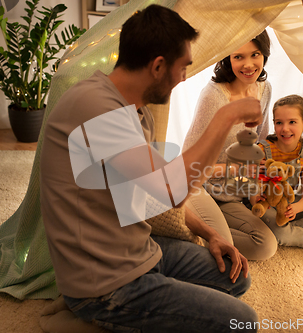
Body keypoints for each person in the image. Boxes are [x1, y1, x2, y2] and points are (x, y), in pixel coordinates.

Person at [40, 5, 263, 333]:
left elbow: (155, 193)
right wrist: (227, 116)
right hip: (103, 283)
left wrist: (211, 234)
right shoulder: (96, 108)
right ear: (158, 66)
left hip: (135, 249)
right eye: (183, 67)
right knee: (242, 323)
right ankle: (88, 316)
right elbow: (172, 191)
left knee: (236, 278)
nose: (184, 76)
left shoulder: (133, 110)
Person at [183, 30, 278, 261]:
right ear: (228, 58)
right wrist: (234, 170)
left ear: (264, 54)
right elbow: (187, 168)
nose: (248, 65)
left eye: (255, 54)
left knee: (266, 246)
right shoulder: (214, 96)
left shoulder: (264, 89)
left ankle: (203, 232)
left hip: (232, 192)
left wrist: (262, 177)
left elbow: (262, 142)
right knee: (225, 249)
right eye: (238, 57)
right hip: (199, 187)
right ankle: (201, 229)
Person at [254, 94, 303, 248]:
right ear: (274, 124)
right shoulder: (262, 150)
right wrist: (257, 199)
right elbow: (252, 192)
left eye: (292, 122)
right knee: (279, 233)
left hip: (289, 201)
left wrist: (295, 209)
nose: (285, 129)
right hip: (266, 204)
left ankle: (292, 226)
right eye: (279, 123)